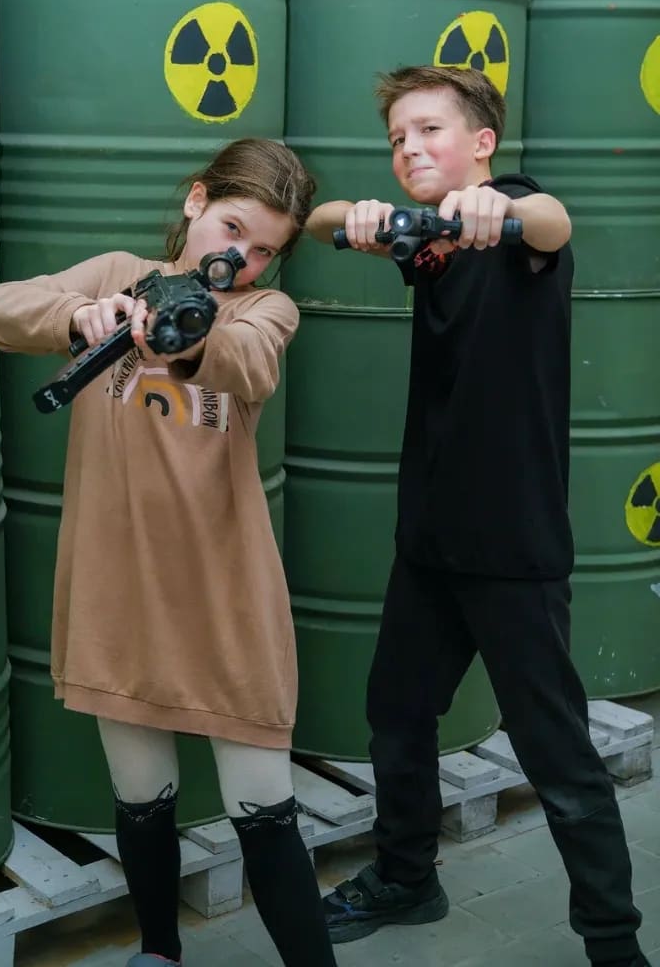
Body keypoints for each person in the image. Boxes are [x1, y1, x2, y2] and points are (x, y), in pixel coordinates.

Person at [306, 66, 648, 967]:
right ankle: (407, 877)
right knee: (396, 713)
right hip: (429, 539)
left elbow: (554, 224)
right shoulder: (427, 240)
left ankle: (614, 945)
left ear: (483, 143)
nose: (409, 148)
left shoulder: (518, 220)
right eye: (397, 138)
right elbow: (314, 220)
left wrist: (502, 208)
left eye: (430, 130)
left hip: (510, 544)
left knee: (557, 754)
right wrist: (361, 217)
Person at [0, 138, 337, 967]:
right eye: (232, 229)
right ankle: (160, 952)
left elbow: (250, 366)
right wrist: (79, 317)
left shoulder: (264, 311)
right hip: (117, 588)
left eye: (263, 250)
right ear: (196, 200)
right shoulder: (116, 274)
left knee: (264, 810)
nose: (240, 259)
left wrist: (184, 340)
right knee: (140, 798)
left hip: (225, 594)